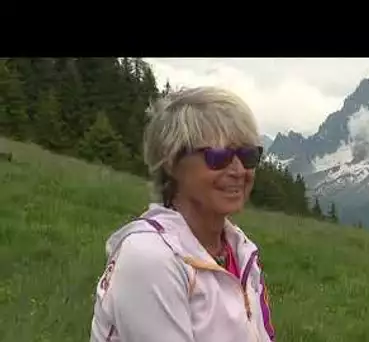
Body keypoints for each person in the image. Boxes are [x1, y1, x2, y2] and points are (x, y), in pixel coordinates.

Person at [89, 86, 276, 342]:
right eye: (218, 156)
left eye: (248, 155)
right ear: (171, 162)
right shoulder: (151, 257)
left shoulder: (241, 250)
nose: (238, 170)